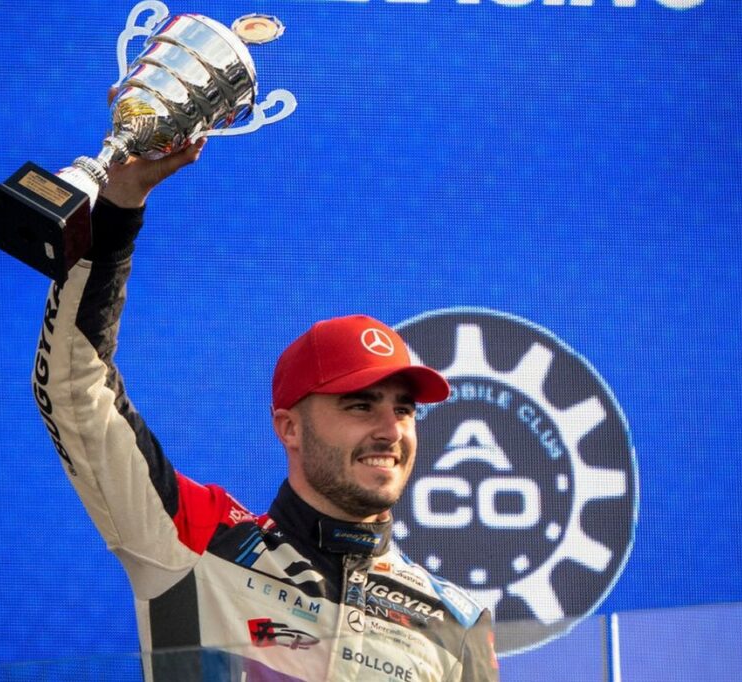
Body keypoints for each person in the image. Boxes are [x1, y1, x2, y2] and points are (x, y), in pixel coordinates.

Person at [31, 136, 500, 681]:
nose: (390, 430)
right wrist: (118, 209)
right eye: (360, 405)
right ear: (289, 428)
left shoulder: (456, 624)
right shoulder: (199, 541)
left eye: (404, 409)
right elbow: (74, 391)